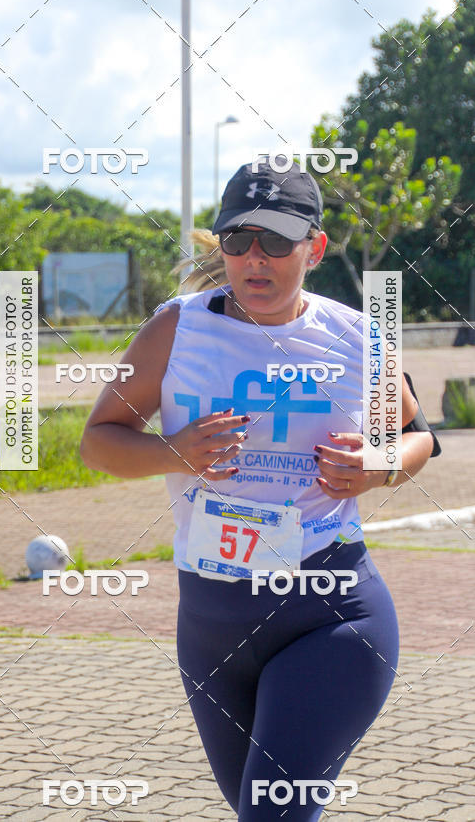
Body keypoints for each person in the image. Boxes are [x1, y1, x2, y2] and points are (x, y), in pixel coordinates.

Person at [80, 160, 441, 820]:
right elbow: (98, 441)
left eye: (277, 241)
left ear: (315, 247)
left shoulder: (356, 338)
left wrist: (381, 465)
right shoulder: (176, 328)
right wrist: (174, 454)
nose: (255, 259)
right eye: (238, 241)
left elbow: (419, 437)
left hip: (330, 614)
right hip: (212, 625)